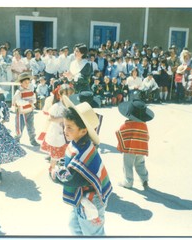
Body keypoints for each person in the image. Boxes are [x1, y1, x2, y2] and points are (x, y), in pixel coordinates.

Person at [54, 95, 112, 236]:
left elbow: (74, 179)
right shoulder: (76, 143)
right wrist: (61, 164)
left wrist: (55, 173)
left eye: (69, 127)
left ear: (83, 131)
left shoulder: (85, 151)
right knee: (75, 227)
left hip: (93, 200)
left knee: (93, 233)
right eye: (64, 125)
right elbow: (68, 162)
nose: (65, 130)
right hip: (81, 197)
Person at [116, 99, 154, 189]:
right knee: (140, 164)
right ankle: (144, 180)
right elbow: (147, 137)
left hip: (130, 149)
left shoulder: (126, 125)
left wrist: (121, 146)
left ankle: (128, 182)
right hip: (140, 148)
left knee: (127, 165)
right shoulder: (144, 125)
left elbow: (119, 133)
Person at [41, 84, 74, 179]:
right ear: (60, 95)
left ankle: (63, 170)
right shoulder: (56, 106)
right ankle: (51, 169)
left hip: (67, 133)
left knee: (67, 152)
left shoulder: (70, 106)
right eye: (66, 94)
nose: (68, 97)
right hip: (57, 133)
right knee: (55, 155)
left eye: (69, 94)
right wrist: (63, 119)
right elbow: (50, 118)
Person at [12, 72, 40, 146]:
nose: (27, 84)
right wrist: (28, 102)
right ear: (21, 83)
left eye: (28, 82)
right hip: (21, 112)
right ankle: (17, 138)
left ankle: (33, 139)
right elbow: (18, 102)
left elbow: (34, 99)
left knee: (31, 125)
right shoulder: (19, 92)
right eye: (25, 82)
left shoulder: (30, 91)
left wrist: (32, 101)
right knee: (20, 126)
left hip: (30, 111)